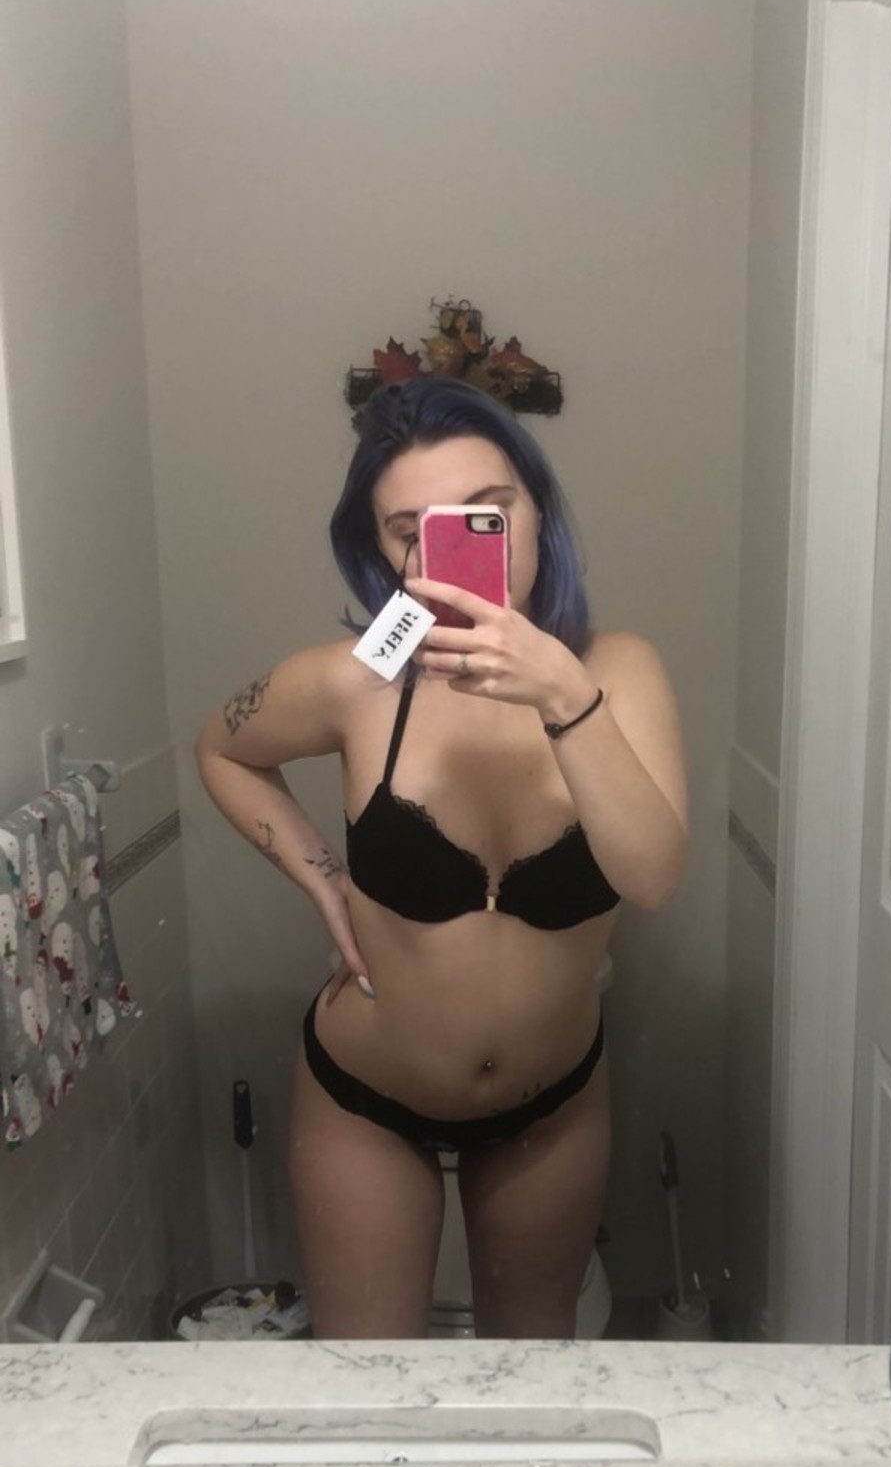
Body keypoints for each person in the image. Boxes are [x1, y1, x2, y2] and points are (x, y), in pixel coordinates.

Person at [196, 378, 687, 1339]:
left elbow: (654, 876)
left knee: (528, 1389)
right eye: (409, 531)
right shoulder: (359, 679)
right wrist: (322, 878)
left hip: (553, 1106)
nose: (446, 550)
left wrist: (563, 696)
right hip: (366, 1102)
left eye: (484, 513)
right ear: (381, 550)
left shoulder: (619, 672)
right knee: (369, 1394)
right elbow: (221, 747)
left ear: (536, 514)